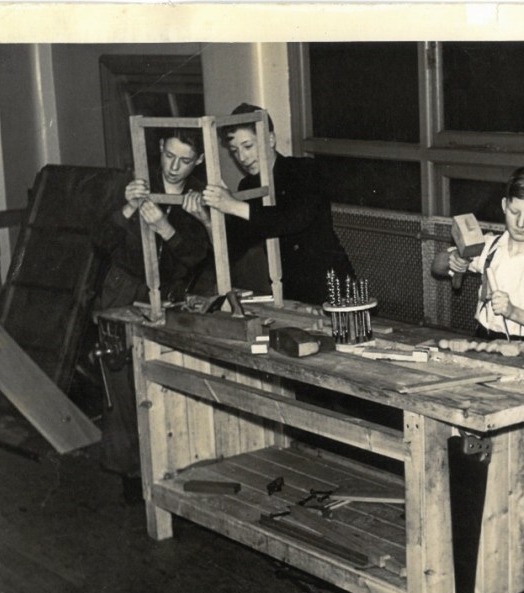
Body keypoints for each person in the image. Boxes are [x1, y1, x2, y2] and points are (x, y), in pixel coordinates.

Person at [92, 128, 212, 503]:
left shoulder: (198, 197)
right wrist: (127, 208)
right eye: (169, 156)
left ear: (199, 161)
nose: (174, 167)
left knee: (164, 381)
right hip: (122, 290)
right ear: (159, 148)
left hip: (168, 298)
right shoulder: (133, 183)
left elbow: (195, 258)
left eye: (185, 161)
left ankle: (169, 470)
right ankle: (131, 475)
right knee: (122, 384)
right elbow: (99, 242)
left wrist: (165, 226)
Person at [195, 103, 355, 304]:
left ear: (270, 139)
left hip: (333, 288)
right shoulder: (249, 186)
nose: (242, 158)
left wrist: (234, 205)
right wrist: (208, 220)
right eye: (235, 150)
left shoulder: (304, 169)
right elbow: (233, 249)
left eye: (248, 146)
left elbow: (293, 219)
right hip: (290, 294)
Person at [431, 166, 524, 352]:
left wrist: (512, 312)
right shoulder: (488, 247)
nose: (521, 223)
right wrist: (452, 258)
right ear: (504, 206)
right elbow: (436, 267)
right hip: (484, 341)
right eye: (514, 212)